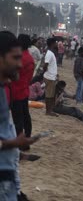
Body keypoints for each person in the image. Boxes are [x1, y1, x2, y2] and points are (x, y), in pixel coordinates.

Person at [0, 31, 38, 200]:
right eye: (15, 58)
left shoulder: (3, 89)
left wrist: (16, 150)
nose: (21, 64)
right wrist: (14, 143)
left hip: (8, 179)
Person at [10, 34, 35, 148]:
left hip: (15, 91)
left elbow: (12, 75)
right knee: (25, 117)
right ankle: (27, 139)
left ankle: (20, 143)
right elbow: (30, 77)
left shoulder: (19, 58)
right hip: (24, 90)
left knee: (17, 119)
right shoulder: (29, 58)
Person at [43, 38, 58, 116]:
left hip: (51, 76)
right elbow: (45, 65)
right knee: (49, 95)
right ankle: (48, 111)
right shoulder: (49, 53)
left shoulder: (50, 52)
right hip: (49, 77)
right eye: (55, 42)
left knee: (51, 95)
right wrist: (46, 72)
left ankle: (49, 110)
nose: (56, 44)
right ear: (52, 43)